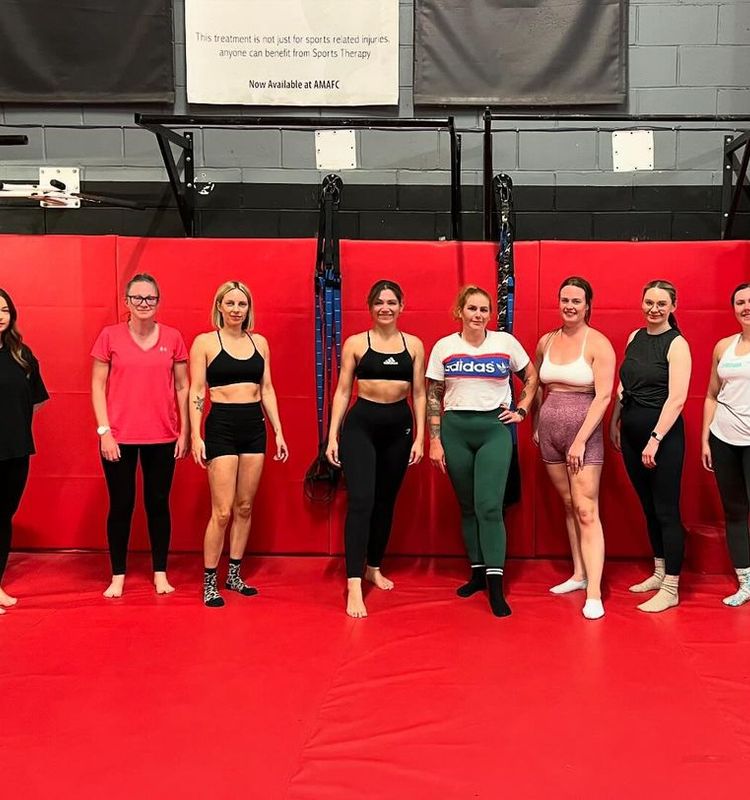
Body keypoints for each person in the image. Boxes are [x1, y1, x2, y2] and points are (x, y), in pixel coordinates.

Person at [427, 285, 537, 618]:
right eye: (472, 308)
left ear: (491, 314)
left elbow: (530, 377)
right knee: (467, 507)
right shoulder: (444, 347)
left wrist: (522, 409)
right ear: (459, 311)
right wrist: (434, 439)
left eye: (484, 309)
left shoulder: (505, 343)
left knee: (489, 506)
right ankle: (476, 573)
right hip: (455, 430)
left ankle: (495, 586)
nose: (478, 315)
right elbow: (434, 393)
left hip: (494, 430)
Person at [326, 280, 425, 619]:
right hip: (361, 426)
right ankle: (354, 582)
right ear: (370, 307)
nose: (386, 307)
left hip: (399, 427)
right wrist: (332, 436)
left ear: (401, 306)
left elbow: (421, 394)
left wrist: (421, 436)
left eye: (392, 302)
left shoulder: (413, 345)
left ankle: (374, 566)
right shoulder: (356, 343)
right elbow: (342, 391)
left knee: (385, 502)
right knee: (362, 501)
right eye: (380, 302)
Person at [190, 281, 288, 608]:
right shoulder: (205, 342)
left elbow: (268, 389)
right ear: (219, 306)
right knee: (222, 510)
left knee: (245, 506)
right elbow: (196, 391)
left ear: (248, 309)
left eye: (241, 304)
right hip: (221, 426)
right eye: (230, 303)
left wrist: (278, 431)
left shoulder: (259, 342)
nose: (236, 309)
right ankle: (209, 581)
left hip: (253, 427)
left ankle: (233, 574)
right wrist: (195, 434)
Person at [91, 273, 189, 598]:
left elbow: (182, 386)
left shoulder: (173, 337)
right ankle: (117, 575)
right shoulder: (110, 336)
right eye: (137, 298)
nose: (144, 304)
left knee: (158, 504)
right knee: (121, 505)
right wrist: (105, 432)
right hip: (119, 437)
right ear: (127, 302)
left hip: (162, 436)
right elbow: (97, 386)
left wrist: (185, 431)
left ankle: (160, 572)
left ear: (158, 302)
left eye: (150, 299)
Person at [534, 277, 615, 620]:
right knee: (568, 504)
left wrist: (581, 438)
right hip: (551, 431)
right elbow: (537, 383)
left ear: (588, 305)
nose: (569, 305)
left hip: (584, 433)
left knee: (586, 510)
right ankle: (579, 576)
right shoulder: (546, 341)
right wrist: (537, 421)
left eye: (576, 300)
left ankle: (594, 592)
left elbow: (605, 395)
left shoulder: (598, 343)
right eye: (564, 299)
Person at [610, 280, 691, 613]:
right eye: (649, 302)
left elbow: (677, 398)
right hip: (630, 433)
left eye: (661, 304)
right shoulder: (634, 337)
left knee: (667, 511)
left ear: (673, 306)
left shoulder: (677, 344)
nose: (654, 309)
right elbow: (623, 383)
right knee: (649, 508)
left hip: (663, 439)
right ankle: (658, 572)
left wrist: (655, 439)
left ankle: (672, 586)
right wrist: (617, 420)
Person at [0, 288, 49, 615]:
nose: (0, 315)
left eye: (4, 309)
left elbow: (34, 403)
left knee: (3, 517)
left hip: (15, 451)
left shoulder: (21, 354)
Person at [702, 283, 750, 606]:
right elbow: (710, 395)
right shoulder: (724, 347)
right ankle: (746, 581)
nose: (746, 307)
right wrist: (706, 437)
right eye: (740, 302)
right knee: (734, 511)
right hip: (723, 438)